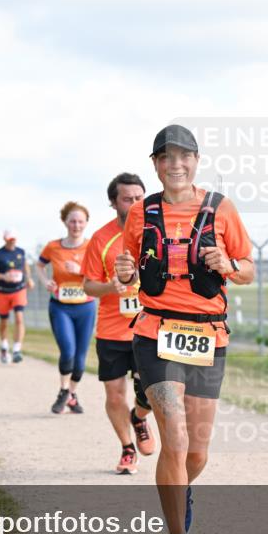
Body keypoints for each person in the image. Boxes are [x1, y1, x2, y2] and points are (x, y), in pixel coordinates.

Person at [115, 124, 254, 534]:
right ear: (155, 165)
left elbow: (248, 269)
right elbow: (129, 269)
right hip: (156, 332)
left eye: (183, 156)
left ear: (196, 161)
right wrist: (124, 272)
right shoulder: (142, 212)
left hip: (208, 337)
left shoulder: (221, 208)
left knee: (196, 452)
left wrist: (229, 265)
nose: (175, 164)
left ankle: (176, 490)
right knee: (173, 438)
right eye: (166, 157)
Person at [83, 173, 156, 474]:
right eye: (128, 199)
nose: (135, 203)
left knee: (148, 392)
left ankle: (138, 417)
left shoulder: (155, 233)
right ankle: (127, 448)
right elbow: (88, 286)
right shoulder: (101, 239)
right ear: (113, 203)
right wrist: (109, 287)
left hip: (147, 327)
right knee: (114, 395)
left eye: (140, 197)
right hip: (112, 330)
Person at [36, 203, 95, 414]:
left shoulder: (92, 246)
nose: (76, 225)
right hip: (60, 307)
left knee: (80, 360)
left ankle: (71, 394)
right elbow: (39, 265)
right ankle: (63, 391)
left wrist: (80, 270)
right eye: (72, 221)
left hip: (85, 307)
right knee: (68, 351)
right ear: (65, 222)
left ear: (86, 223)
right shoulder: (53, 247)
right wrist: (45, 281)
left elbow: (100, 274)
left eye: (80, 221)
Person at [0, 230, 34, 363]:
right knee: (4, 321)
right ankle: (4, 345)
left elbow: (25, 266)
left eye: (14, 239)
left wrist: (29, 278)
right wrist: (3, 276)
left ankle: (17, 349)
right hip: (2, 292)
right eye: (9, 239)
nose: (12, 241)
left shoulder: (21, 252)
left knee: (19, 317)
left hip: (19, 290)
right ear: (5, 239)